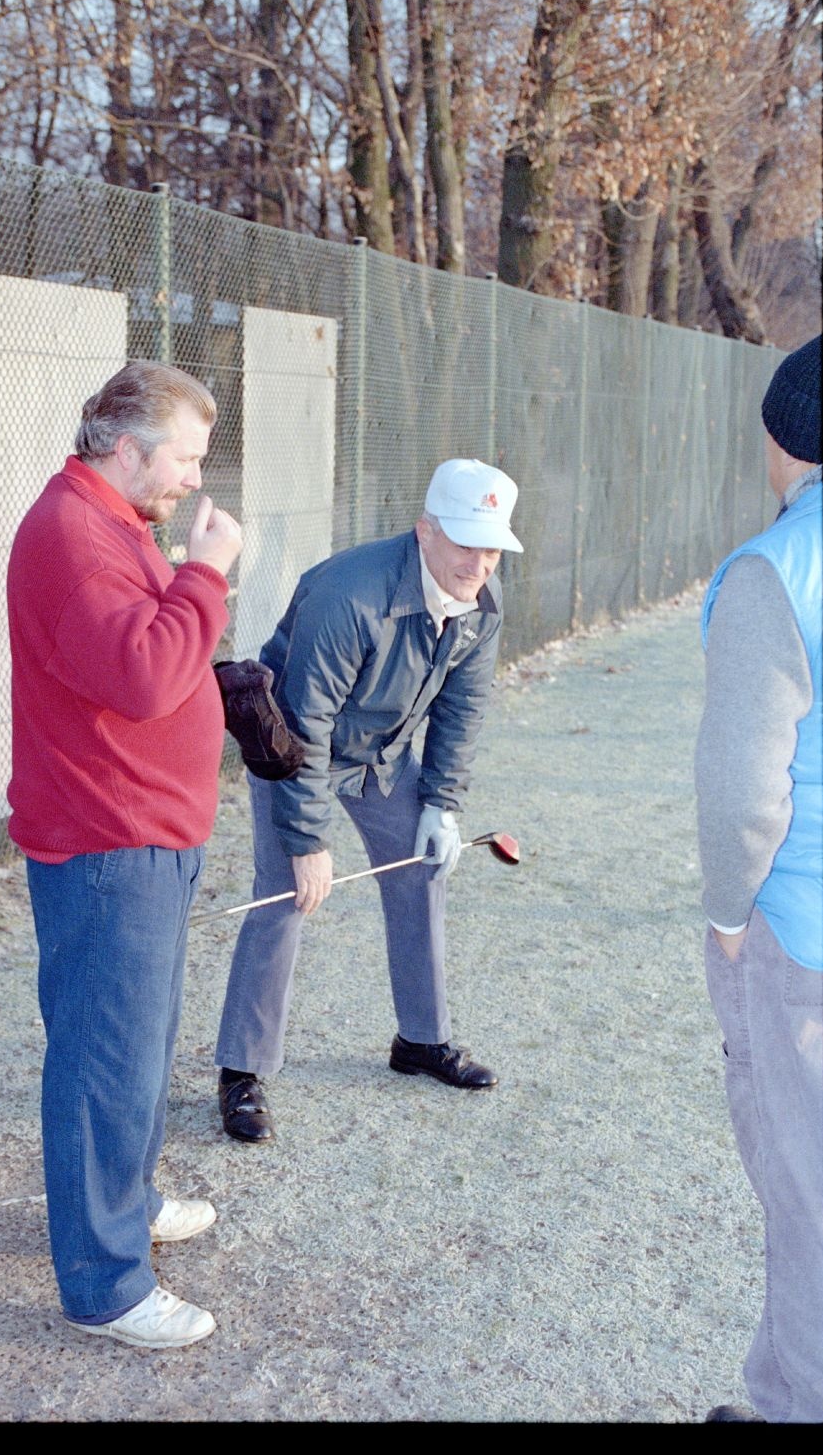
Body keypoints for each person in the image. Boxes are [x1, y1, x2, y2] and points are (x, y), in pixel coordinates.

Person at [7, 360, 242, 1350]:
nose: (193, 478)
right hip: (109, 840)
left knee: (137, 1047)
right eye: (183, 458)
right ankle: (105, 1283)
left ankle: (127, 1200)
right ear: (129, 448)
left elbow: (149, 655)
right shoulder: (71, 534)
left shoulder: (110, 523)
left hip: (143, 832)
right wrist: (206, 575)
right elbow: (145, 676)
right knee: (108, 1059)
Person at [214, 458, 524, 1143]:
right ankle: (242, 1070)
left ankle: (420, 1039)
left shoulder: (482, 605)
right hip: (294, 749)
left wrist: (441, 806)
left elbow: (460, 713)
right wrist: (307, 842)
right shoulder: (348, 595)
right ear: (424, 531)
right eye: (466, 542)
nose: (479, 562)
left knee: (421, 867)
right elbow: (305, 723)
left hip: (380, 755)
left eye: (492, 545)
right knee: (284, 895)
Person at [694, 335, 823, 1423]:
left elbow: (744, 788)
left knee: (807, 1198)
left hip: (805, 939)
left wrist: (727, 912)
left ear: (781, 441)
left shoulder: (775, 569)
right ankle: (778, 1388)